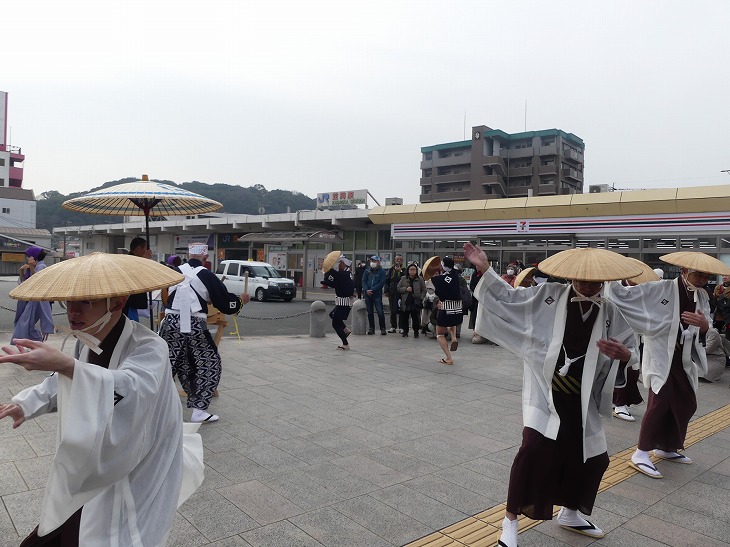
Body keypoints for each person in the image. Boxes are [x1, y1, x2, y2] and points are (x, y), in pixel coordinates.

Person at [0, 252, 201, 546]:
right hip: (99, 451)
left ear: (116, 303)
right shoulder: (87, 341)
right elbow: (66, 380)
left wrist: (65, 364)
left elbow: (131, 389)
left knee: (117, 529)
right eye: (69, 302)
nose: (73, 311)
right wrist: (25, 404)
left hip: (137, 454)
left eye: (86, 302)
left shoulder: (149, 346)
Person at [464, 243, 638, 547]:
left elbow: (630, 349)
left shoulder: (611, 311)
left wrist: (625, 356)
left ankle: (570, 512)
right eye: (582, 280)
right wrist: (485, 269)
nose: (588, 286)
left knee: (593, 459)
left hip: (581, 399)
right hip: (546, 391)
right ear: (571, 276)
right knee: (532, 451)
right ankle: (509, 522)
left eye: (595, 281)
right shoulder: (549, 295)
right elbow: (510, 299)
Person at [603, 251, 725, 479]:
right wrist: (612, 278)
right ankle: (641, 452)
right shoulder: (661, 288)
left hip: (683, 358)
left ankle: (667, 446)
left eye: (706, 276)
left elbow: (706, 322)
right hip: (661, 354)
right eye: (698, 275)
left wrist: (703, 326)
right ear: (684, 271)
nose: (702, 280)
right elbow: (625, 297)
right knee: (659, 402)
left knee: (686, 403)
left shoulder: (702, 295)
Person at [159, 243, 249, 423]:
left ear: (188, 255)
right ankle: (199, 410)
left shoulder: (174, 272)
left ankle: (152, 407)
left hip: (169, 323)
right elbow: (225, 304)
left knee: (165, 365)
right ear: (205, 258)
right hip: (194, 325)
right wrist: (241, 301)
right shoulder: (207, 275)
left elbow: (166, 297)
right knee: (209, 363)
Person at [424, 256, 463, 365]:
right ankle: (454, 337)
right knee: (452, 322)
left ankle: (448, 358)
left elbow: (434, 292)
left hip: (445, 306)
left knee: (440, 334)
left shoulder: (437, 280)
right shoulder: (455, 274)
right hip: (458, 306)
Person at [13, 245, 54, 343]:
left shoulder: (41, 266)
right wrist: (21, 271)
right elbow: (23, 283)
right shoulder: (33, 266)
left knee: (26, 322)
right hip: (29, 299)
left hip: (37, 301)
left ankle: (36, 340)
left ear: (34, 256)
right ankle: (31, 342)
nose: (27, 258)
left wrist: (31, 267)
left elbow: (36, 281)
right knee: (24, 322)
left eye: (29, 256)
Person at [322, 252, 355, 350]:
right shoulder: (347, 273)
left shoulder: (343, 274)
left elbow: (333, 278)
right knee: (332, 315)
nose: (338, 265)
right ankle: (345, 329)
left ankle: (345, 344)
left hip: (344, 302)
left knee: (335, 324)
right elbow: (335, 283)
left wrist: (326, 272)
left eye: (340, 262)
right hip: (342, 302)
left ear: (344, 263)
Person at [123, 237, 152, 321]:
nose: (148, 251)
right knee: (131, 325)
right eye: (146, 248)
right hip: (129, 301)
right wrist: (145, 260)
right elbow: (138, 274)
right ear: (139, 249)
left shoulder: (130, 260)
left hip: (132, 302)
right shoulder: (129, 261)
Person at [397, 262, 426, 337]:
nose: (412, 271)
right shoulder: (403, 278)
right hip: (406, 300)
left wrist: (421, 298)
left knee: (415, 317)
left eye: (414, 269)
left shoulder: (420, 279)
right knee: (405, 317)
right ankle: (405, 332)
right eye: (411, 269)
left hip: (415, 301)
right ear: (408, 270)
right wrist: (405, 289)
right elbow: (398, 288)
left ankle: (416, 332)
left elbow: (424, 289)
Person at [362, 255, 387, 335]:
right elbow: (363, 281)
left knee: (380, 312)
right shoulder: (367, 271)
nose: (373, 262)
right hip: (367, 294)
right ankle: (371, 328)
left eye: (374, 261)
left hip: (376, 294)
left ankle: (382, 328)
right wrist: (366, 289)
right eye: (371, 261)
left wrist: (372, 290)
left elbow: (381, 283)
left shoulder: (382, 272)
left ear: (378, 262)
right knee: (370, 312)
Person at [385, 255, 405, 332]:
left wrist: (400, 271)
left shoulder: (404, 269)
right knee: (392, 310)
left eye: (400, 259)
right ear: (394, 260)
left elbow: (406, 279)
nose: (399, 261)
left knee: (401, 310)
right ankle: (393, 326)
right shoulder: (391, 269)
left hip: (401, 292)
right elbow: (387, 280)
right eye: (397, 259)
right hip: (392, 292)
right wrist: (386, 291)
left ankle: (401, 327)